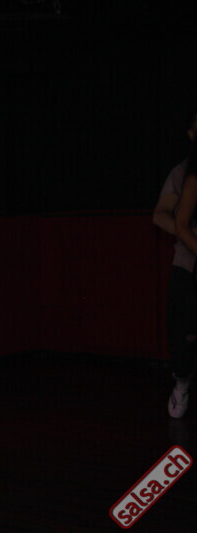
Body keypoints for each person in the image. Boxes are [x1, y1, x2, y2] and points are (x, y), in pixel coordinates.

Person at [156, 110, 197, 418]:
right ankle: (182, 382)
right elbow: (159, 215)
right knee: (182, 332)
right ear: (191, 134)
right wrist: (187, 234)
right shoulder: (182, 173)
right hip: (187, 263)